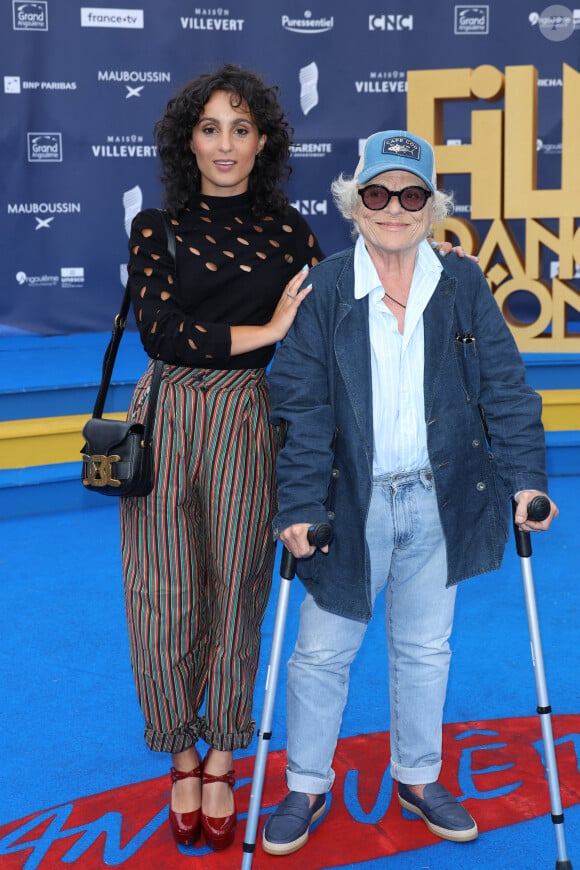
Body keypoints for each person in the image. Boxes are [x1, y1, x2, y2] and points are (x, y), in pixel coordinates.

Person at [262, 129, 558, 857]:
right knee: (321, 652)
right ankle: (305, 783)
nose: (393, 207)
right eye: (377, 193)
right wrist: (299, 505)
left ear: (432, 208)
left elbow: (507, 393)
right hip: (350, 502)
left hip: (438, 496)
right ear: (354, 202)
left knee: (426, 647)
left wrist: (527, 482)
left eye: (411, 194)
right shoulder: (326, 289)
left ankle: (418, 777)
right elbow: (298, 406)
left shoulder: (461, 284)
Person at [119, 63, 324, 852]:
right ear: (188, 140)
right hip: (168, 407)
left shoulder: (294, 233)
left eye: (241, 127)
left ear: (263, 140)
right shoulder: (157, 226)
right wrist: (264, 334)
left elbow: (315, 341)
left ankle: (226, 751)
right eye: (210, 128)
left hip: (248, 415)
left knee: (239, 587)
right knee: (163, 591)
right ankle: (179, 751)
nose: (225, 144)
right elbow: (163, 333)